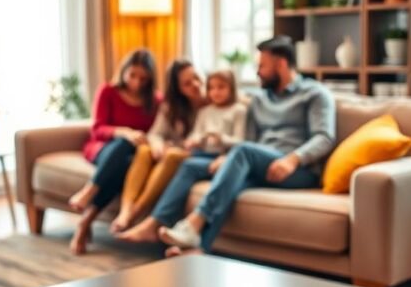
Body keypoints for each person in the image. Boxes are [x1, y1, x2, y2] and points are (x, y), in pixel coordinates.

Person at [120, 35, 335, 252]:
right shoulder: (259, 99)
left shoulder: (315, 94)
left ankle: (194, 223)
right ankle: (187, 242)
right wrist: (227, 158)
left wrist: (292, 159)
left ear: (281, 64)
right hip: (259, 162)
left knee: (241, 155)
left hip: (297, 170)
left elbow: (324, 137)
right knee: (192, 166)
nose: (257, 71)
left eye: (262, 66)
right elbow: (247, 138)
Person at [69, 48, 160, 254]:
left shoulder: (155, 101)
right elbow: (97, 129)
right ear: (124, 71)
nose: (136, 82)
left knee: (125, 164)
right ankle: (88, 191)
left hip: (131, 157)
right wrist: (123, 132)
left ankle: (85, 220)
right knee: (123, 145)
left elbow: (159, 130)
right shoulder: (108, 91)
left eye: (143, 79)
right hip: (102, 148)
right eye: (133, 75)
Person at [110, 59, 206, 233]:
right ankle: (126, 209)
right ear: (177, 89)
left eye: (196, 78)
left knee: (172, 155)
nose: (195, 85)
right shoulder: (172, 107)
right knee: (145, 149)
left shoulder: (213, 101)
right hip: (173, 150)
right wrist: (158, 145)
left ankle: (136, 211)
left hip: (193, 155)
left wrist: (176, 147)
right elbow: (155, 134)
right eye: (187, 83)